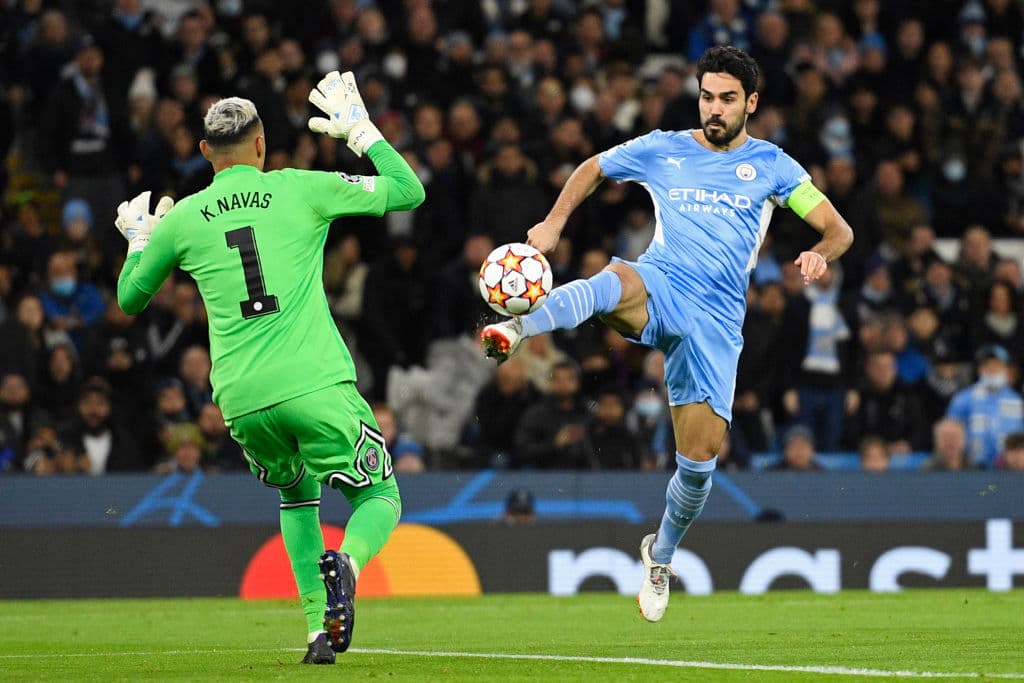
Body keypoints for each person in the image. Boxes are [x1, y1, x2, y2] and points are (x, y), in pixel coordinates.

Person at [481, 46, 853, 622]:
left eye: (728, 99)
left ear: (750, 103)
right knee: (616, 279)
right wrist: (554, 222)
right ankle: (517, 325)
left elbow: (838, 228)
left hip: (717, 322)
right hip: (663, 283)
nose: (715, 108)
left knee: (699, 467)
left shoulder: (774, 166)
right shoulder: (664, 148)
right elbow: (592, 169)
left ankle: (661, 554)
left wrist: (818, 252)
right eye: (707, 96)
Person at [113, 72, 424, 664]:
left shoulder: (183, 220)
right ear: (261, 145)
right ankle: (348, 565)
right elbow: (408, 190)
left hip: (242, 398)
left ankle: (316, 633)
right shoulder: (300, 188)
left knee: (297, 494)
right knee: (380, 493)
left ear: (205, 152)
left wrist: (138, 240)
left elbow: (129, 300)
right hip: (312, 381)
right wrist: (361, 131)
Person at [945, 344, 1024, 468]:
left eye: (997, 366)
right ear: (980, 369)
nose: (992, 370)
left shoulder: (1016, 401)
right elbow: (949, 435)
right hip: (970, 469)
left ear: (1006, 369)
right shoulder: (963, 399)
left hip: (1009, 469)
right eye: (988, 366)